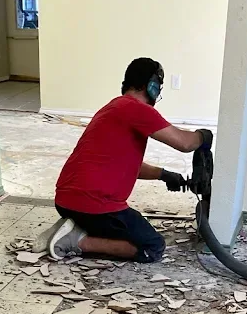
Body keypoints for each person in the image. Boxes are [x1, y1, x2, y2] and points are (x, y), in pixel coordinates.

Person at [48, 57, 213, 263]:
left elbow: (122, 164)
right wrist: (204, 136)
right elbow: (184, 143)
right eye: (159, 87)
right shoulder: (137, 109)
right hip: (94, 204)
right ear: (152, 85)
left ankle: (77, 226)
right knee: (152, 247)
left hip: (66, 201)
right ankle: (77, 241)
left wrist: (163, 175)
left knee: (124, 230)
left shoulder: (113, 108)